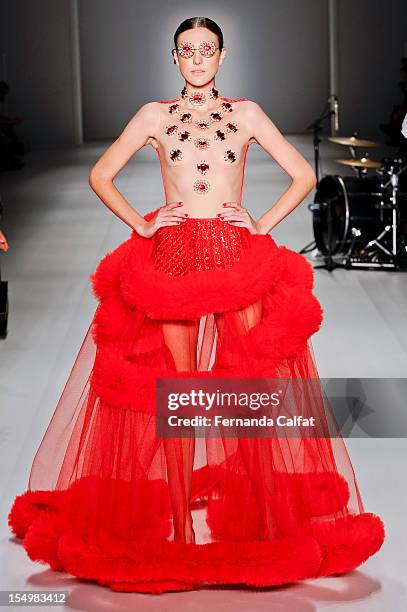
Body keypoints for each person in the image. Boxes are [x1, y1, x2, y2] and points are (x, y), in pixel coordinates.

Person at [8, 16, 385, 594]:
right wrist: (143, 222)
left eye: (207, 49)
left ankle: (259, 524)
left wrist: (259, 224)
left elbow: (302, 174)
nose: (198, 59)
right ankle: (181, 525)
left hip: (237, 258)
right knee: (179, 398)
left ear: (222, 54)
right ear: (175, 56)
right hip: (175, 261)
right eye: (187, 51)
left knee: (249, 389)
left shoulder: (247, 113)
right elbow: (101, 174)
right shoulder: (155, 115)